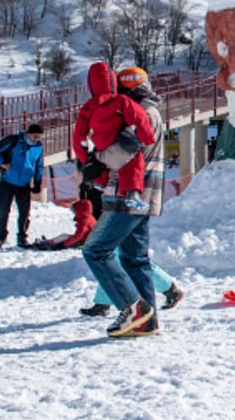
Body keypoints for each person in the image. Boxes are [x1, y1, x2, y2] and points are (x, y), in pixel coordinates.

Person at [80, 67, 184, 318]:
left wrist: (96, 160)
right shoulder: (146, 110)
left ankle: (134, 310)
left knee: (96, 251)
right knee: (133, 259)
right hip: (140, 195)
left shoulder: (142, 112)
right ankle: (147, 319)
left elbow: (123, 149)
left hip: (129, 194)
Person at [73, 62, 157, 213]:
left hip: (101, 141)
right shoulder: (123, 101)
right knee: (133, 162)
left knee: (102, 164)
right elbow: (138, 118)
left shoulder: (88, 106)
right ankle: (132, 192)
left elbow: (79, 134)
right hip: (118, 139)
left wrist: (84, 156)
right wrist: (147, 137)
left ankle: (100, 184)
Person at [0, 123, 45, 248]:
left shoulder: (38, 147)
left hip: (24, 184)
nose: (36, 139)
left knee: (24, 212)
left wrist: (38, 182)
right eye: (35, 136)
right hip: (7, 181)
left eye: (39, 137)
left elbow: (38, 165)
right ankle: (1, 238)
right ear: (28, 134)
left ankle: (22, 238)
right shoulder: (13, 140)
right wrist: (2, 163)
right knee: (3, 211)